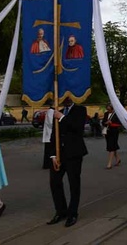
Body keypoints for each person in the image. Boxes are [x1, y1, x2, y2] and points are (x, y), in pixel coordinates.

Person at [47, 97, 88, 227]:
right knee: (54, 181)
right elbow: (54, 134)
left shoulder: (80, 110)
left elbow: (78, 127)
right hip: (59, 154)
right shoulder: (58, 112)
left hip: (74, 153)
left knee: (73, 183)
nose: (65, 99)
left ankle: (73, 213)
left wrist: (62, 117)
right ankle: (60, 211)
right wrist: (53, 154)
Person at [103, 104, 121, 169]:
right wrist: (106, 123)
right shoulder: (106, 114)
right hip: (108, 132)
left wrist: (111, 123)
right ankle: (118, 159)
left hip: (114, 132)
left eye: (109, 109)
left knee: (111, 146)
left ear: (112, 108)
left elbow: (119, 123)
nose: (108, 110)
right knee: (112, 145)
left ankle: (109, 163)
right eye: (107, 109)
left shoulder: (116, 114)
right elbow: (103, 122)